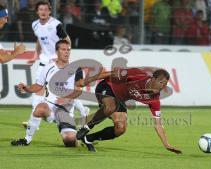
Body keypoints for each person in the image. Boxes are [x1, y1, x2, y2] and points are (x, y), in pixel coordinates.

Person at [73, 67, 182, 154]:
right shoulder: (138, 74)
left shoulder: (154, 100)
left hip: (119, 99)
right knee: (111, 107)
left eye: (165, 84)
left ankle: (88, 138)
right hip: (107, 86)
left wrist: (166, 144)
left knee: (121, 128)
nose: (162, 86)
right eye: (161, 82)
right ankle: (86, 127)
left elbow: (158, 124)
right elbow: (111, 73)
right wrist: (86, 81)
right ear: (153, 78)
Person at [22, 1, 89, 130]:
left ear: (50, 11)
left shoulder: (55, 25)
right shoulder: (35, 25)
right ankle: (35, 118)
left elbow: (67, 39)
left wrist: (63, 56)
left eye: (46, 9)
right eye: (41, 9)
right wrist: (35, 55)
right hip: (44, 63)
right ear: (37, 11)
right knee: (39, 89)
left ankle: (82, 111)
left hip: (56, 63)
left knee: (64, 90)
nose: (43, 12)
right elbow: (39, 39)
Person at [11, 40, 82, 147]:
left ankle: (79, 138)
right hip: (50, 106)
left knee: (70, 141)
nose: (66, 52)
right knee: (40, 108)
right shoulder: (49, 67)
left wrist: (67, 99)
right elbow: (38, 86)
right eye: (63, 49)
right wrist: (26, 88)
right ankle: (26, 139)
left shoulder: (76, 69)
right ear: (57, 51)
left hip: (65, 111)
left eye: (68, 50)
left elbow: (78, 91)